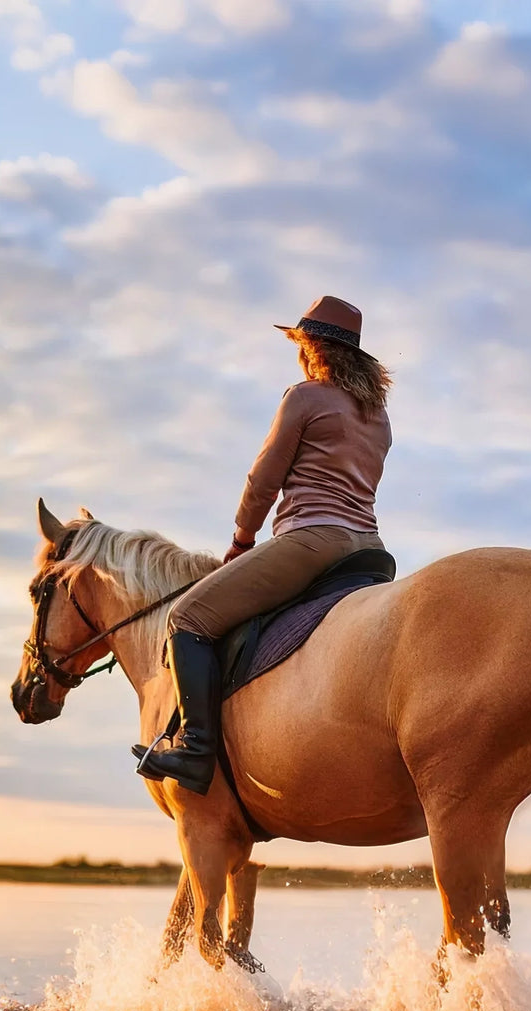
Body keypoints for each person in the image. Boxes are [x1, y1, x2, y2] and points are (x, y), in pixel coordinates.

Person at [139, 295, 393, 795]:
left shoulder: (304, 396)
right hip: (371, 550)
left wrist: (241, 539)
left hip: (312, 541)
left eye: (300, 343)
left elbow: (263, 480)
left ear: (312, 346)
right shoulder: (378, 416)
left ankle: (194, 749)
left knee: (186, 619)